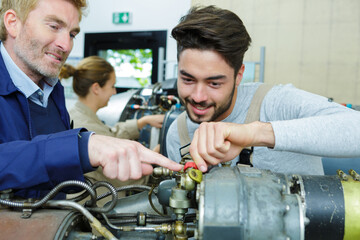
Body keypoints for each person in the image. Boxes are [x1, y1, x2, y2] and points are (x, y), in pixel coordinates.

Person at [0, 0, 182, 199]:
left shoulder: (52, 90)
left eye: (72, 34)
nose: (66, 45)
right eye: (54, 27)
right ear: (12, 23)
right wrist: (81, 147)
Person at [166, 5, 360, 175]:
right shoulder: (179, 134)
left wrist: (255, 133)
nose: (198, 97)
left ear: (239, 75)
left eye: (214, 83)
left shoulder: (275, 103)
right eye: (188, 79)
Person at [59, 56, 164, 193]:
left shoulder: (81, 114)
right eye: (112, 86)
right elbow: (124, 178)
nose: (114, 92)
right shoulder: (83, 125)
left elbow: (110, 136)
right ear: (96, 88)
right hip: (98, 208)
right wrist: (155, 155)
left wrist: (141, 122)